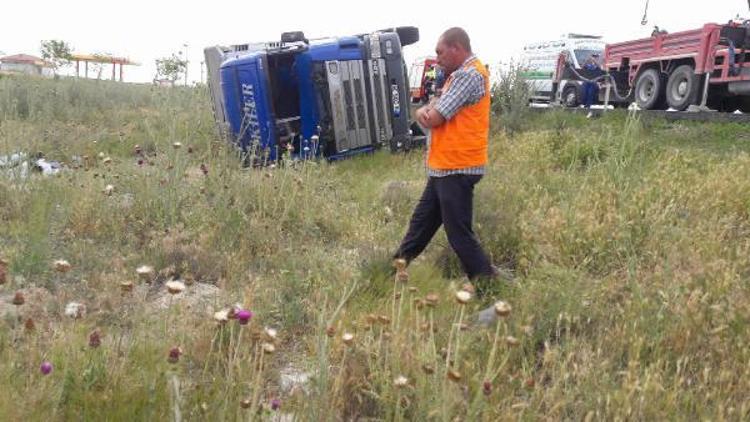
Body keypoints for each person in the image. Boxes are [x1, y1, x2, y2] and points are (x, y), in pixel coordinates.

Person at [394, 27, 498, 287]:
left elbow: (433, 118)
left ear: (457, 48)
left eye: (440, 52)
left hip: (457, 167)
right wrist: (429, 111)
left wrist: (422, 112)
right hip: (444, 168)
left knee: (459, 235)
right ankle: (389, 272)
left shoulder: (468, 75)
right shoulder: (457, 76)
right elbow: (434, 112)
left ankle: (489, 289)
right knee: (420, 226)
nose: (437, 58)